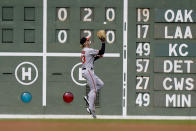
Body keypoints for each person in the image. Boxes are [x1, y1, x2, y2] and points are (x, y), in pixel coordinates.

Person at [80, 36, 105, 118]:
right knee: (93, 89)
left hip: (86, 70)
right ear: (85, 43)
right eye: (87, 40)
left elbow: (91, 60)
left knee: (100, 84)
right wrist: (103, 42)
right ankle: (91, 107)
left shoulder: (84, 51)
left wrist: (98, 57)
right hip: (88, 71)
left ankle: (89, 97)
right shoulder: (88, 50)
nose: (89, 40)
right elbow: (102, 51)